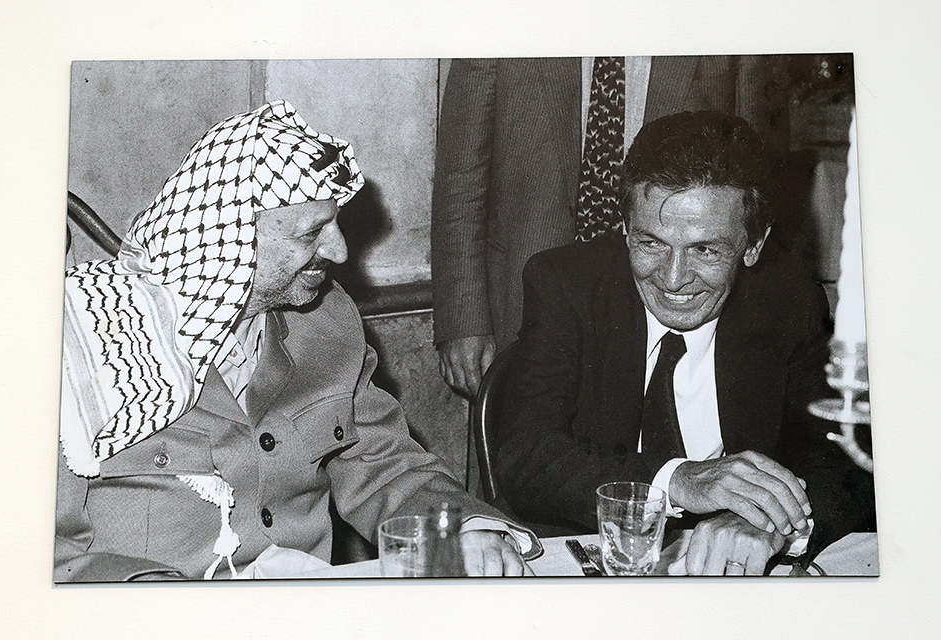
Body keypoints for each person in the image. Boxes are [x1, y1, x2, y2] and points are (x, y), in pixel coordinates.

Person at [55, 101, 538, 582]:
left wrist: (459, 526)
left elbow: (383, 463)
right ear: (230, 239)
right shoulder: (84, 339)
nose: (339, 251)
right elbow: (46, 551)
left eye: (335, 224)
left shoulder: (327, 321)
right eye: (311, 234)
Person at [494, 110, 875, 575]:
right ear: (625, 228)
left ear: (753, 245)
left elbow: (844, 452)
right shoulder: (566, 284)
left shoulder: (787, 298)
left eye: (705, 250)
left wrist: (774, 523)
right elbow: (525, 454)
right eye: (651, 243)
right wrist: (677, 480)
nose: (673, 279)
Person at [431, 56, 767, 398]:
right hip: (522, 295)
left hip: (668, 297)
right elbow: (460, 176)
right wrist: (463, 319)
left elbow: (751, 175)